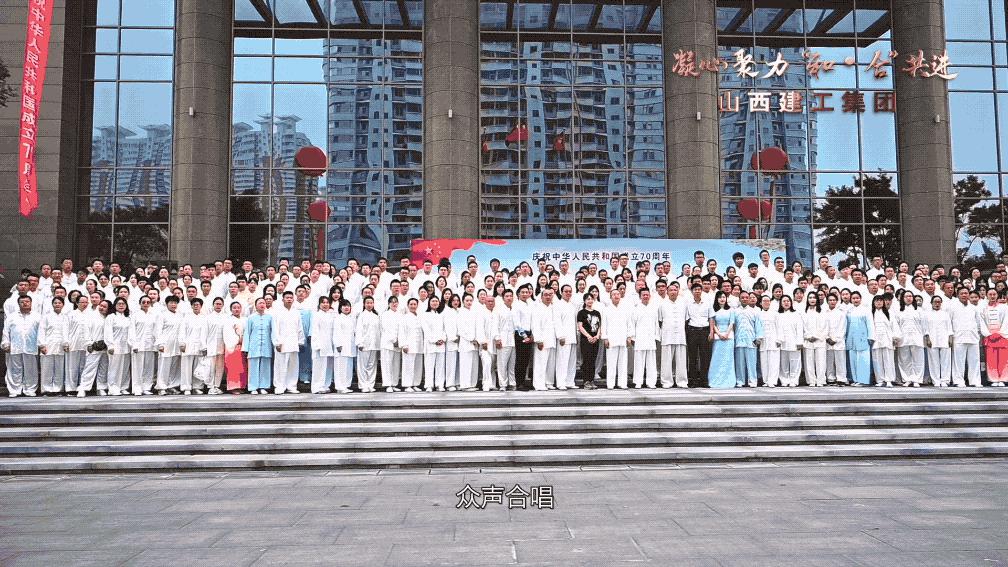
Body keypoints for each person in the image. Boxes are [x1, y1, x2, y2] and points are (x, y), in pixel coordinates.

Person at [2, 295, 41, 397]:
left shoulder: (37, 316)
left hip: (31, 346)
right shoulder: (12, 317)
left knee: (31, 369)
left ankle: (30, 389)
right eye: (22, 302)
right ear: (18, 304)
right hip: (15, 346)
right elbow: (6, 331)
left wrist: (41, 344)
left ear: (31, 303)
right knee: (15, 369)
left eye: (27, 301)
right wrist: (6, 343)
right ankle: (14, 390)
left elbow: (41, 332)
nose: (25, 303)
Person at [271, 291, 305, 395]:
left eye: (291, 298)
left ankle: (291, 386)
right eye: (287, 298)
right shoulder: (277, 312)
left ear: (293, 299)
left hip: (293, 342)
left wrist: (300, 341)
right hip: (282, 343)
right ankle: (279, 386)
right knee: (280, 365)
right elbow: (275, 329)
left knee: (293, 365)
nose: (289, 299)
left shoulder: (296, 312)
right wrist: (277, 343)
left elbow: (300, 328)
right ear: (283, 299)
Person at [950, 287, 983, 387]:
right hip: (959, 337)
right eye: (962, 293)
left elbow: (978, 323)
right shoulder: (953, 307)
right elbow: (949, 322)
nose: (964, 295)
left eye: (966, 293)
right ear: (958, 295)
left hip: (973, 337)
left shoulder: (974, 308)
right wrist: (951, 336)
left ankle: (975, 381)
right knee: (958, 361)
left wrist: (977, 334)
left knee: (974, 361)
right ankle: (958, 380)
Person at [658, 283, 688, 388]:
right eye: (671, 290)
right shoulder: (662, 304)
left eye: (675, 290)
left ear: (678, 291)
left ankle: (682, 381)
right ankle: (666, 381)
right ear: (667, 292)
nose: (673, 292)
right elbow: (660, 321)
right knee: (666, 360)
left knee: (681, 360)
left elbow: (686, 319)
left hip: (680, 335)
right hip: (667, 335)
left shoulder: (683, 304)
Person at [79, 298, 110, 397]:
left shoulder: (109, 318)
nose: (102, 308)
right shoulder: (92, 317)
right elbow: (85, 330)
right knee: (89, 368)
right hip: (94, 346)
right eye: (101, 306)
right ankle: (83, 388)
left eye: (104, 307)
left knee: (103, 368)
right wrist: (89, 343)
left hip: (105, 347)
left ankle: (101, 387)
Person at [630, 288, 660, 388]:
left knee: (651, 362)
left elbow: (656, 324)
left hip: (651, 338)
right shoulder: (635, 309)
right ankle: (638, 382)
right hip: (639, 338)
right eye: (644, 295)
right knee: (639, 362)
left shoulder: (653, 308)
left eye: (647, 295)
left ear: (650, 296)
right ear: (640, 296)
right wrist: (633, 338)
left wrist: (656, 337)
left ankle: (651, 382)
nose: (646, 296)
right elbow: (632, 324)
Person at [895, 290, 926, 387]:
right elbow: (896, 325)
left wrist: (925, 336)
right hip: (903, 338)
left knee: (918, 360)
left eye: (910, 296)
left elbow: (924, 325)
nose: (908, 298)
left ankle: (917, 379)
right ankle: (907, 379)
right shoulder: (899, 311)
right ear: (902, 298)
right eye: (906, 296)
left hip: (917, 338)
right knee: (904, 360)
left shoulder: (919, 310)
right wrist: (896, 337)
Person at [243, 297, 273, 394]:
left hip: (266, 345)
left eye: (263, 303)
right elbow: (247, 333)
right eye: (260, 303)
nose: (262, 305)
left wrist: (274, 344)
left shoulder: (270, 317)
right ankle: (253, 387)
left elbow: (273, 332)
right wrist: (245, 348)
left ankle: (263, 386)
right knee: (253, 367)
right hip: (254, 346)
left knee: (265, 366)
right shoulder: (251, 318)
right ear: (256, 306)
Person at [178, 298, 208, 395]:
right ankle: (186, 387)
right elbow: (182, 331)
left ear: (201, 306)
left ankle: (197, 387)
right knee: (186, 367)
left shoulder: (204, 318)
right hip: (188, 345)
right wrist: (182, 343)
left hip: (200, 346)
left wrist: (204, 347)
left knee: (198, 367)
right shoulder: (186, 318)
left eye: (198, 305)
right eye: (194, 305)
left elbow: (205, 334)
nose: (196, 306)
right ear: (191, 306)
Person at [38, 296, 67, 395]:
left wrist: (66, 343)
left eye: (59, 303)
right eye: (55, 303)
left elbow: (67, 331)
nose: (57, 304)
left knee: (59, 368)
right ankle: (46, 389)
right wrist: (42, 345)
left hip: (61, 346)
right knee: (47, 369)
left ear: (63, 305)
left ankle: (58, 389)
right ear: (52, 304)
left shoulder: (66, 317)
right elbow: (41, 331)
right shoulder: (46, 317)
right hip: (48, 345)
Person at [601, 289, 630, 389]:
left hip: (623, 338)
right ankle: (610, 383)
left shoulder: (625, 309)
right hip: (611, 339)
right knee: (611, 362)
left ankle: (622, 383)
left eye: (618, 294)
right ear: (610, 297)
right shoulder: (606, 309)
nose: (616, 296)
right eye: (614, 294)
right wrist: (605, 338)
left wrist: (629, 336)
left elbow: (629, 323)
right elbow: (604, 325)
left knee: (623, 362)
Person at [685, 283, 713, 387]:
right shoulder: (688, 303)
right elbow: (686, 319)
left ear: (701, 291)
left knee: (704, 357)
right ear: (692, 291)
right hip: (692, 331)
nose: (697, 291)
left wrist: (711, 332)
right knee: (692, 357)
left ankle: (704, 380)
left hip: (704, 331)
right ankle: (693, 380)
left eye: (699, 289)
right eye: (695, 289)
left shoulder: (707, 303)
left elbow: (711, 318)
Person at [531, 288, 559, 391]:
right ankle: (539, 384)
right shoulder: (537, 308)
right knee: (540, 363)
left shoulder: (553, 308)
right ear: (542, 296)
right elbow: (535, 325)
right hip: (542, 340)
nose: (548, 297)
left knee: (550, 363)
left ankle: (549, 382)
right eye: (546, 295)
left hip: (552, 339)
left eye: (550, 295)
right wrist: (538, 340)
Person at [103, 297, 132, 396]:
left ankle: (123, 387)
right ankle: (113, 388)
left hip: (126, 346)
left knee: (125, 368)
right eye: (119, 304)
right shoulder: (111, 317)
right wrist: (110, 345)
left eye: (123, 304)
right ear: (115, 305)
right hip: (115, 346)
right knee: (114, 368)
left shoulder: (128, 318)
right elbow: (108, 332)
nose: (121, 305)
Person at [732, 292, 762, 388]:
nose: (744, 299)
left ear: (749, 299)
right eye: (742, 298)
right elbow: (733, 326)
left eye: (746, 297)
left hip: (751, 340)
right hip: (739, 340)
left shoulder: (755, 312)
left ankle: (752, 381)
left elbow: (758, 325)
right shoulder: (735, 312)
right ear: (739, 299)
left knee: (752, 362)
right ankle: (740, 381)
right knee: (739, 363)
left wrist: (758, 338)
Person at [707, 291, 736, 389]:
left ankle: (728, 380)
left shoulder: (731, 310)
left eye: (723, 297)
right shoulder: (713, 310)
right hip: (718, 337)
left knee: (728, 359)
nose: (722, 299)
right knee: (717, 359)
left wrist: (727, 333)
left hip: (729, 337)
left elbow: (731, 323)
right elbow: (713, 323)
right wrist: (719, 334)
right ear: (717, 299)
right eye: (720, 297)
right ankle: (715, 380)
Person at [155, 296, 183, 395]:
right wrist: (160, 344)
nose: (173, 305)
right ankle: (161, 387)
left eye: (175, 303)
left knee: (175, 366)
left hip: (176, 344)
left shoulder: (180, 315)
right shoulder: (162, 315)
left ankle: (172, 386)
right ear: (167, 304)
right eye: (171, 303)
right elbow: (158, 330)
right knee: (164, 366)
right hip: (165, 344)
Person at [979, 288, 1008, 386]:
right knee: (991, 359)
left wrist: (1000, 333)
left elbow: (1006, 321)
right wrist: (988, 334)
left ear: (997, 295)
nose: (992, 296)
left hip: (1002, 336)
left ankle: (1002, 379)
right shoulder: (983, 308)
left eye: (994, 294)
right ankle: (993, 379)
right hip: (990, 337)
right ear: (987, 296)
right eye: (990, 294)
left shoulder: (1004, 307)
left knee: (1003, 359)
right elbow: (982, 322)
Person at [924, 295, 953, 388]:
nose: (937, 304)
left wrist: (950, 338)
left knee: (946, 361)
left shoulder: (945, 314)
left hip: (944, 339)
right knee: (933, 361)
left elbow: (949, 327)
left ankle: (945, 380)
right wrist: (927, 338)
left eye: (939, 302)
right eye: (935, 302)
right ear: (931, 303)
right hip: (932, 339)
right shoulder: (927, 314)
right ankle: (936, 380)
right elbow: (925, 328)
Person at [845, 292, 873, 386]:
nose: (855, 300)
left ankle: (863, 380)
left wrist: (871, 336)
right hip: (851, 337)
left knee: (863, 359)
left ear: (860, 299)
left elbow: (870, 324)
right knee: (853, 359)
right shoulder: (849, 311)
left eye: (857, 298)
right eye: (853, 298)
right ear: (851, 300)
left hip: (863, 337)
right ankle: (855, 379)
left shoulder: (866, 310)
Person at [554, 285, 578, 390]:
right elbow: (557, 322)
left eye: (570, 291)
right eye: (566, 291)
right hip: (563, 338)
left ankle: (570, 381)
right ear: (561, 292)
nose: (568, 293)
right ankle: (561, 382)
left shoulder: (573, 305)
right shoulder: (558, 305)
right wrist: (560, 336)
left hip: (573, 337)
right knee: (562, 361)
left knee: (572, 361)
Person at [310, 296, 335, 394]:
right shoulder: (316, 315)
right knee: (319, 367)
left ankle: (325, 385)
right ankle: (317, 387)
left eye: (327, 302)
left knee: (328, 366)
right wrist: (316, 345)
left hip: (329, 344)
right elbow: (315, 331)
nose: (325, 304)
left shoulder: (331, 315)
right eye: (323, 302)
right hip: (320, 344)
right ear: (319, 304)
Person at [421, 296, 446, 392]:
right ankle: (429, 385)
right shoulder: (425, 315)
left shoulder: (441, 315)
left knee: (440, 366)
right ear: (429, 303)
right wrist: (435, 340)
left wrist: (442, 339)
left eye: (436, 301)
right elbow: (426, 330)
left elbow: (444, 329)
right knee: (429, 365)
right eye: (433, 301)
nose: (435, 303)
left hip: (441, 344)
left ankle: (440, 384)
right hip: (430, 344)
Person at [802, 292, 828, 387]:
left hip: (820, 340)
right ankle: (811, 381)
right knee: (809, 361)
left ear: (817, 299)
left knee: (821, 361)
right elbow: (802, 327)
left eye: (814, 297)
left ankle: (820, 380)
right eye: (810, 297)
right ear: (807, 299)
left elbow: (825, 327)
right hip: (808, 340)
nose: (812, 299)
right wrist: (808, 336)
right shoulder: (804, 312)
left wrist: (817, 336)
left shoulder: (823, 312)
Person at [355, 296, 381, 393]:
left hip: (374, 344)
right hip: (364, 344)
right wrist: (359, 343)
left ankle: (370, 384)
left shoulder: (376, 316)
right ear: (364, 304)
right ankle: (363, 385)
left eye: (371, 303)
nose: (369, 305)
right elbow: (358, 330)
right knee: (363, 366)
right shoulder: (361, 316)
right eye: (367, 303)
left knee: (372, 365)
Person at [576, 293, 602, 389]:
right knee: (586, 360)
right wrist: (588, 336)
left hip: (595, 339)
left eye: (591, 299)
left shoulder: (597, 313)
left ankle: (591, 380)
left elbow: (599, 326)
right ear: (584, 301)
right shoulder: (581, 313)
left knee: (593, 360)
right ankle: (586, 381)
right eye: (588, 299)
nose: (590, 301)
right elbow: (580, 326)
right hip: (585, 340)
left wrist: (597, 336)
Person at [776, 295, 802, 388]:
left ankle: (794, 380)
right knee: (784, 362)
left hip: (794, 342)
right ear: (781, 303)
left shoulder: (796, 314)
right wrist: (778, 340)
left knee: (795, 362)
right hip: (782, 342)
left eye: (788, 301)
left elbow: (799, 329)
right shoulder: (778, 315)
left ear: (791, 302)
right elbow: (777, 328)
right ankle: (784, 380)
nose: (786, 303)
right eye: (784, 301)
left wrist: (799, 342)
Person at [871, 295, 897, 387]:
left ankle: (889, 380)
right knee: (877, 360)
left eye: (880, 301)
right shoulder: (871, 313)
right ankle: (880, 380)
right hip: (876, 339)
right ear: (874, 303)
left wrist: (895, 338)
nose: (879, 302)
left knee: (888, 360)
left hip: (887, 339)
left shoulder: (889, 313)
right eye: (877, 301)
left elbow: (894, 326)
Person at [398, 298, 424, 392]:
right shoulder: (404, 317)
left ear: (417, 305)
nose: (413, 306)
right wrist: (404, 345)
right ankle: (407, 385)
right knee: (408, 365)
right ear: (408, 305)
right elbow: (401, 332)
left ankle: (415, 384)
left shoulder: (420, 317)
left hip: (419, 345)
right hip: (409, 345)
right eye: (411, 304)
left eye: (415, 304)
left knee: (417, 365)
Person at [203, 297, 228, 394]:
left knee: (220, 367)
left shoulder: (226, 317)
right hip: (211, 345)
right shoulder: (208, 318)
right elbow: (204, 333)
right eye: (216, 304)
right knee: (210, 367)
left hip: (222, 345)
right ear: (213, 305)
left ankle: (217, 385)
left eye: (220, 304)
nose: (218, 306)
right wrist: (204, 346)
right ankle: (210, 386)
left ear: (223, 305)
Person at [494, 290, 517, 391]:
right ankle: (503, 384)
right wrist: (497, 338)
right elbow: (495, 325)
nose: (509, 298)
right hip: (503, 340)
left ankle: (512, 383)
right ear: (503, 298)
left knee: (512, 364)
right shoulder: (498, 310)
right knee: (502, 364)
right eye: (507, 296)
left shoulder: (514, 309)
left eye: (511, 296)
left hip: (513, 340)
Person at [456, 294, 480, 391]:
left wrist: (477, 339)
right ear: (463, 301)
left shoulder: (474, 312)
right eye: (467, 300)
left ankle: (472, 384)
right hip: (466, 342)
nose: (469, 302)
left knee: (474, 364)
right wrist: (471, 339)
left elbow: (477, 327)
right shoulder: (460, 313)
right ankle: (465, 385)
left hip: (475, 343)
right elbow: (461, 330)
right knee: (465, 364)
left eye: (470, 300)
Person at [823, 293, 848, 385]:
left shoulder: (841, 313)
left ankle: (841, 378)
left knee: (840, 360)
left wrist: (836, 339)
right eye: (830, 300)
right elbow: (823, 327)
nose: (832, 302)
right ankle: (830, 378)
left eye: (834, 300)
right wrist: (827, 338)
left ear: (837, 301)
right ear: (827, 301)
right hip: (827, 341)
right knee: (829, 361)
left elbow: (842, 327)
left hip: (838, 341)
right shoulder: (824, 313)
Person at [223, 300, 248, 393]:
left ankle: (241, 386)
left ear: (241, 309)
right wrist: (238, 340)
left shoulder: (245, 320)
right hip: (232, 347)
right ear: (231, 309)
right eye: (234, 308)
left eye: (238, 307)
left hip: (243, 346)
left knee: (242, 367)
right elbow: (227, 334)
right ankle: (233, 387)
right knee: (233, 368)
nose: (236, 309)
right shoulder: (228, 320)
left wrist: (244, 340)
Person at [379, 296, 402, 392]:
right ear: (388, 304)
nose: (394, 304)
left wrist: (400, 341)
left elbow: (402, 329)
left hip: (398, 344)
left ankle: (394, 384)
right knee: (387, 364)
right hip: (387, 343)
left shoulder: (400, 314)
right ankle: (388, 384)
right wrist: (394, 340)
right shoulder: (385, 314)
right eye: (392, 302)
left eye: (396, 302)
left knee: (395, 365)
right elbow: (386, 329)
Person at [333, 299, 356, 393]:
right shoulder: (338, 318)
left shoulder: (351, 318)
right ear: (340, 308)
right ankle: (340, 387)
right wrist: (338, 344)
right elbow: (336, 332)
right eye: (344, 306)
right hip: (341, 346)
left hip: (350, 346)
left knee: (348, 367)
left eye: (348, 306)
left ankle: (346, 385)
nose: (346, 307)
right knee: (340, 367)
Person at [757, 294, 780, 387]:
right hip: (763, 340)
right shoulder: (758, 314)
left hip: (773, 340)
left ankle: (773, 380)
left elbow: (779, 327)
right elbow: (757, 327)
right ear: (760, 303)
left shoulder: (775, 314)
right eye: (764, 301)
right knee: (764, 361)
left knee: (774, 361)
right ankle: (766, 380)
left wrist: (779, 339)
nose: (766, 303)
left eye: (768, 301)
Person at [442, 295, 461, 391]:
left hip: (460, 340)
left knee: (458, 363)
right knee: (451, 363)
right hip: (452, 341)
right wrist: (453, 337)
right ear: (450, 302)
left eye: (457, 300)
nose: (456, 302)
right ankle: (450, 384)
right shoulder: (447, 312)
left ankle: (457, 382)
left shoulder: (460, 311)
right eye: (453, 300)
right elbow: (447, 326)